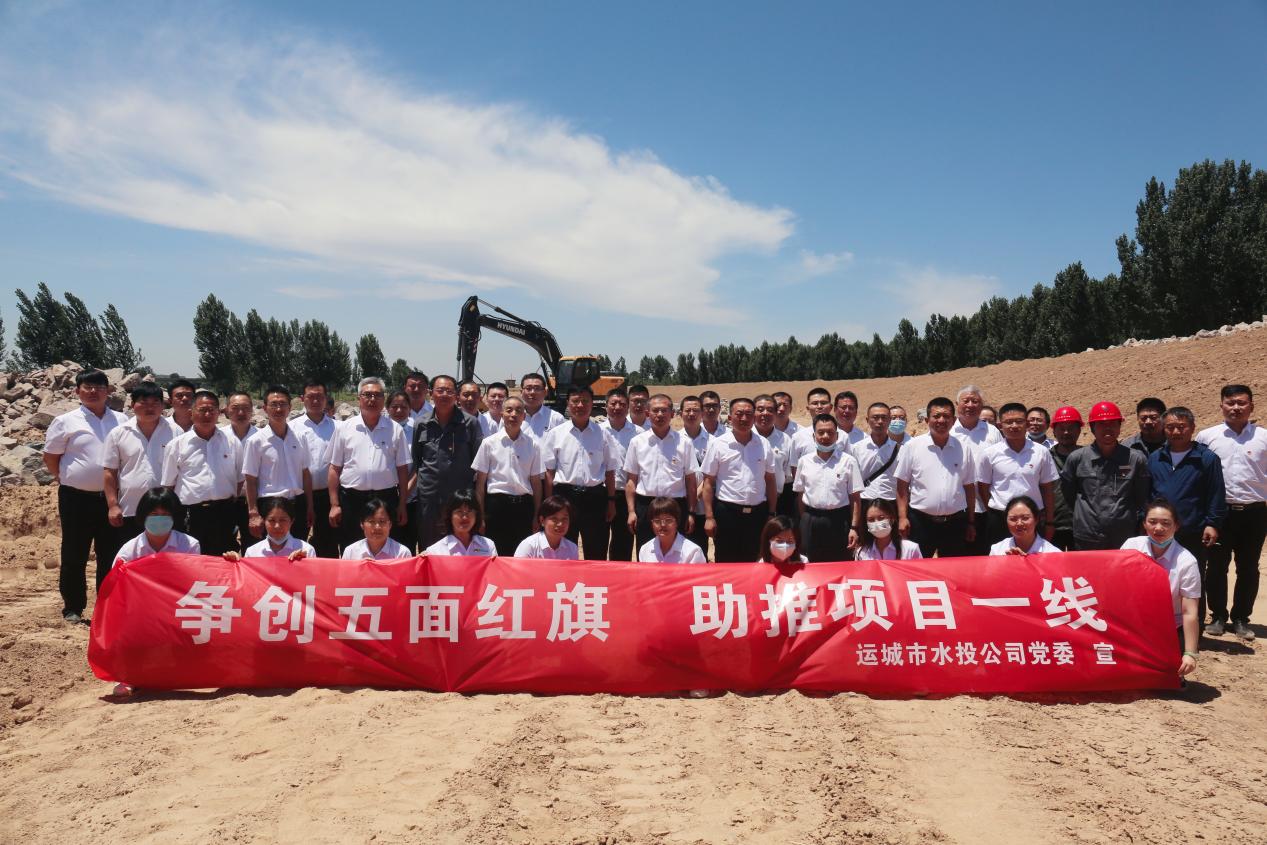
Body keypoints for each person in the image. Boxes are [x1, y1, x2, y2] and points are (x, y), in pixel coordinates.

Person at [43, 368, 128, 622]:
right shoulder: (65, 421)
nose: (93, 392)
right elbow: (50, 457)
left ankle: (107, 606)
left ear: (108, 391)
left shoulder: (122, 420)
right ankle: (73, 607)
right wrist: (67, 477)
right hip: (75, 498)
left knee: (110, 554)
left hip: (112, 499)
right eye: (87, 387)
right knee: (74, 553)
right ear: (77, 391)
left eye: (99, 387)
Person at [1196, 384, 1267, 640]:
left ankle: (1240, 619)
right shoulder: (1207, 437)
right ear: (1221, 406)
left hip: (1255, 512)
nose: (1236, 407)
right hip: (1219, 512)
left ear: (1251, 406)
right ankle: (1217, 616)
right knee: (1216, 566)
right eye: (1230, 403)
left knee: (1248, 567)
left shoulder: (1263, 437)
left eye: (1241, 403)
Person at [1148, 406, 1225, 630]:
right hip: (1160, 531)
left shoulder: (1206, 458)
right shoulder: (1156, 458)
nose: (1175, 432)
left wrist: (1212, 523)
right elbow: (1148, 493)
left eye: (1181, 427)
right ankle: (1162, 626)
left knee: (1193, 579)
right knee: (1160, 578)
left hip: (1192, 530)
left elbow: (1216, 493)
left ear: (1192, 428)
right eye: (1170, 427)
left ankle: (1193, 630)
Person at [328, 377, 411, 551]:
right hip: (352, 500)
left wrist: (402, 503)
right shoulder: (344, 428)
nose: (372, 399)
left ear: (383, 399)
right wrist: (335, 505)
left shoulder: (395, 429)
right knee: (351, 547)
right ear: (359, 398)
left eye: (377, 395)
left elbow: (402, 470)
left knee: (386, 547)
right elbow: (334, 468)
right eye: (367, 395)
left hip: (386, 498)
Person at [1120, 500, 1201, 676]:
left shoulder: (1187, 562)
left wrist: (1190, 653)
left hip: (1169, 626)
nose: (1158, 528)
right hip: (1133, 623)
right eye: (1152, 522)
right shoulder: (1131, 546)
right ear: (1144, 524)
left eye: (1166, 523)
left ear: (1176, 526)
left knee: (1167, 676)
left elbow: (1189, 612)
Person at [160, 389, 243, 556]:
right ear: (191, 413)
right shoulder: (177, 445)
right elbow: (168, 485)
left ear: (219, 413)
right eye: (202, 410)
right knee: (191, 561)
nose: (207, 414)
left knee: (224, 560)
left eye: (211, 410)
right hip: (190, 514)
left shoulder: (232, 442)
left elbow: (240, 479)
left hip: (224, 513)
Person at [543, 386, 621, 559]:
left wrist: (611, 501)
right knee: (563, 549)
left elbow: (610, 471)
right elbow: (549, 472)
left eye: (585, 401)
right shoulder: (556, 434)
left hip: (595, 499)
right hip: (564, 497)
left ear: (592, 404)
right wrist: (549, 502)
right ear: (568, 403)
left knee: (596, 551)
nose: (580, 405)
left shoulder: (603, 434)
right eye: (575, 401)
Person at [1060, 401, 1150, 551]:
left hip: (1124, 537)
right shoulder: (1077, 459)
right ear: (1092, 428)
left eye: (1113, 423)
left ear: (1119, 427)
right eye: (1101, 424)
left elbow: (1141, 496)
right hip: (1087, 537)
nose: (1108, 428)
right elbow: (1069, 495)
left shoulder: (1135, 459)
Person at [894, 396, 977, 558]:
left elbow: (969, 488)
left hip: (955, 523)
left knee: (952, 568)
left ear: (953, 420)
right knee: (918, 568)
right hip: (920, 522)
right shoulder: (912, 447)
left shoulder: (963, 448)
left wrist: (971, 522)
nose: (941, 420)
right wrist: (902, 517)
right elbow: (902, 485)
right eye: (936, 416)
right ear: (927, 420)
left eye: (946, 416)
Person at [411, 374, 484, 550]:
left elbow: (479, 464)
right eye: (440, 390)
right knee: (430, 547)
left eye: (449, 391)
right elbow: (417, 461)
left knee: (461, 546)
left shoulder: (470, 424)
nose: (444, 395)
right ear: (431, 394)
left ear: (456, 396)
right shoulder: (421, 424)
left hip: (461, 500)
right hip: (429, 498)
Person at [701, 397, 777, 562]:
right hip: (727, 513)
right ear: (730, 418)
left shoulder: (764, 444)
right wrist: (709, 517)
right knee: (726, 560)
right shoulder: (718, 444)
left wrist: (771, 513)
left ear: (754, 417)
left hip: (757, 514)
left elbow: (770, 480)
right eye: (739, 414)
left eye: (749, 414)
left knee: (755, 560)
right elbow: (708, 483)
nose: (744, 418)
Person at [104, 382, 182, 539]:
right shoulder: (118, 433)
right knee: (133, 552)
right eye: (144, 402)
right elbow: (109, 472)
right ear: (133, 404)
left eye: (155, 402)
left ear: (163, 406)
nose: (150, 408)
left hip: (167, 511)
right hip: (130, 509)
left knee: (168, 552)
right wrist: (113, 505)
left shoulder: (176, 432)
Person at [976, 402, 1059, 544]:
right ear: (1000, 426)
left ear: (1027, 424)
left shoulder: (1041, 452)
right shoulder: (989, 454)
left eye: (1019, 421)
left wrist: (1050, 522)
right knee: (1000, 556)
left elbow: (1047, 488)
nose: (1014, 426)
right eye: (1008, 422)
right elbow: (983, 487)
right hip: (999, 518)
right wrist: (993, 511)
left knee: (1033, 555)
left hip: (1033, 517)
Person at [243, 385, 314, 551]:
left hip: (297, 504)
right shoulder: (255, 441)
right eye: (273, 404)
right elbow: (250, 480)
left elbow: (305, 473)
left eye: (283, 404)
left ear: (290, 407)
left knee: (298, 551)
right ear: (265, 408)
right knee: (270, 551)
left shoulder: (300, 437)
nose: (278, 409)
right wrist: (253, 513)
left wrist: (310, 506)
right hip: (269, 506)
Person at [473, 395, 544, 558]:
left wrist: (536, 514)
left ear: (524, 416)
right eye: (509, 410)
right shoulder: (489, 443)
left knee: (522, 557)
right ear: (502, 414)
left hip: (523, 508)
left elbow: (536, 483)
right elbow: (480, 484)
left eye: (518, 411)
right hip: (496, 507)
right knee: (497, 556)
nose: (513, 414)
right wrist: (480, 516)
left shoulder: (533, 445)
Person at [793, 414, 863, 562]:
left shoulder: (848, 461)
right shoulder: (804, 461)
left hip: (839, 521)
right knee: (809, 563)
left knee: (839, 563)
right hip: (811, 520)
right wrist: (805, 520)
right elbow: (800, 495)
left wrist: (854, 528)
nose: (825, 436)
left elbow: (855, 498)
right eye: (821, 432)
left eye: (830, 432)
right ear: (814, 436)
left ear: (836, 436)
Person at [952, 385, 1002, 554]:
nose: (970, 405)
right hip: (957, 507)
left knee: (986, 553)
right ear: (957, 404)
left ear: (981, 405)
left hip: (987, 505)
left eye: (975, 401)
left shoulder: (992, 432)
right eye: (966, 401)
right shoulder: (949, 432)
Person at [291, 380, 339, 558]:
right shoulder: (291, 428)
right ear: (302, 398)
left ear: (326, 399)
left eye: (320, 397)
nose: (316, 401)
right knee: (296, 542)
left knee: (328, 544)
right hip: (300, 495)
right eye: (311, 397)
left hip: (329, 495)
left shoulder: (338, 427)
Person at [600, 387, 639, 561]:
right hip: (601, 493)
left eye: (622, 404)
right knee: (598, 540)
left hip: (626, 494)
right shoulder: (597, 431)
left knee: (623, 543)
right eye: (613, 403)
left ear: (628, 407)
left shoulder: (639, 434)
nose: (617, 407)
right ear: (606, 406)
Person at [114, 487, 200, 564]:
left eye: (165, 514)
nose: (159, 518)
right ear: (143, 515)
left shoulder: (190, 546)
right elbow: (117, 575)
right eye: (154, 514)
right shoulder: (128, 551)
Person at [852, 401, 906, 511]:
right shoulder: (856, 449)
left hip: (891, 503)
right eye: (875, 417)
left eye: (884, 418)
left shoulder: (901, 450)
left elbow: (904, 484)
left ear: (889, 420)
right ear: (867, 420)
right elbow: (852, 483)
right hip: (865, 502)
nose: (880, 421)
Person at [223, 390, 260, 552]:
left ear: (252, 410)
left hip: (255, 503)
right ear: (226, 410)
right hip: (225, 502)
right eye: (235, 408)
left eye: (245, 408)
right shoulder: (218, 437)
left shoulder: (262, 437)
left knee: (253, 547)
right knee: (225, 547)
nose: (241, 413)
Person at [677, 394, 712, 553]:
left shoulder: (713, 442)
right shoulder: (674, 440)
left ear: (702, 413)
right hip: (680, 504)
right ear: (680, 413)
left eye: (696, 410)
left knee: (700, 548)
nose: (691, 414)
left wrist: (696, 493)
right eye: (687, 410)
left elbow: (714, 474)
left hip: (704, 506)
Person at [385, 390, 419, 548]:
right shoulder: (380, 428)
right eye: (394, 407)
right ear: (387, 408)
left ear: (410, 409)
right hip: (386, 495)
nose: (399, 411)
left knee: (406, 543)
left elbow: (419, 464)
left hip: (411, 497)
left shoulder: (418, 429)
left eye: (404, 407)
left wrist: (404, 495)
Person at [1047, 406, 1083, 551]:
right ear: (1054, 431)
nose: (1066, 432)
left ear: (1079, 430)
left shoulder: (1089, 457)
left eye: (1071, 428)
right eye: (1061, 428)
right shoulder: (1044, 458)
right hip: (1051, 526)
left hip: (1082, 525)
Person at [754, 394, 793, 524]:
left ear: (776, 413)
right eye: (760, 409)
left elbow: (787, 474)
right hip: (750, 502)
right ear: (753, 412)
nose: (765, 413)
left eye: (770, 410)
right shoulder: (743, 437)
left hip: (779, 501)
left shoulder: (785, 440)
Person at [423, 490, 497, 556]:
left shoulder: (488, 546)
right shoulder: (434, 552)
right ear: (450, 516)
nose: (465, 517)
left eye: (469, 511)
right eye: (459, 511)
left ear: (476, 515)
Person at [238, 497, 315, 561]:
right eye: (272, 520)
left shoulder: (307, 550)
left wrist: (303, 563)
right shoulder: (252, 552)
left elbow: (312, 574)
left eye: (282, 520)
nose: (277, 526)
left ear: (292, 521)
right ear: (264, 521)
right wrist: (234, 562)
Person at [638, 497, 706, 563]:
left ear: (677, 522)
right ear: (651, 524)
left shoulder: (693, 552)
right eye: (657, 521)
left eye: (668, 520)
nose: (663, 525)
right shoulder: (645, 550)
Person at [341, 498, 410, 561]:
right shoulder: (350, 552)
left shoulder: (402, 553)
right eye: (371, 521)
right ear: (362, 524)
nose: (377, 527)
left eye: (382, 521)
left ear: (390, 524)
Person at [989, 496, 1061, 555]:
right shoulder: (997, 550)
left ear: (1036, 519)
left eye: (1025, 518)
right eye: (1013, 519)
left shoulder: (1053, 553)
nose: (1019, 523)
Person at [513, 496, 579, 559]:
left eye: (564, 519)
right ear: (542, 520)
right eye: (554, 519)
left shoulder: (572, 548)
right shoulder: (529, 546)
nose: (560, 524)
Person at [855, 498, 923, 560]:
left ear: (892, 519)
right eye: (871, 520)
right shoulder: (861, 553)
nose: (876, 523)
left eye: (881, 518)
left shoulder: (910, 549)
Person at [521, 373, 564, 439]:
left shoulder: (556, 419)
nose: (532, 392)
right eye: (528, 388)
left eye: (537, 388)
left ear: (545, 392)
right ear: (521, 392)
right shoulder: (511, 417)